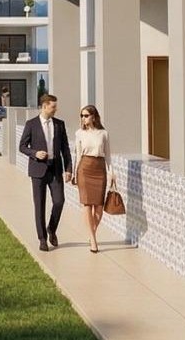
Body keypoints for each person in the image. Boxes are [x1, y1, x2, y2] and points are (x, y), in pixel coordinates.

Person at [16, 94, 71, 251]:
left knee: (59, 201)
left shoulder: (59, 124)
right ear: (45, 106)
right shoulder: (31, 124)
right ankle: (42, 239)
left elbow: (65, 149)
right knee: (39, 205)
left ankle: (51, 229)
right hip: (38, 170)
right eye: (53, 107)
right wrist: (35, 153)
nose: (55, 109)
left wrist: (68, 169)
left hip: (55, 169)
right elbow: (22, 146)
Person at [71, 105, 116, 253]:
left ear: (94, 117)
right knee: (87, 205)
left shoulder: (104, 133)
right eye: (82, 116)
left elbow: (108, 155)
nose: (83, 118)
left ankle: (92, 233)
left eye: (86, 115)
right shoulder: (79, 133)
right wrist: (74, 174)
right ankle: (93, 239)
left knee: (99, 206)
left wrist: (112, 172)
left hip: (99, 168)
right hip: (84, 168)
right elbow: (78, 155)